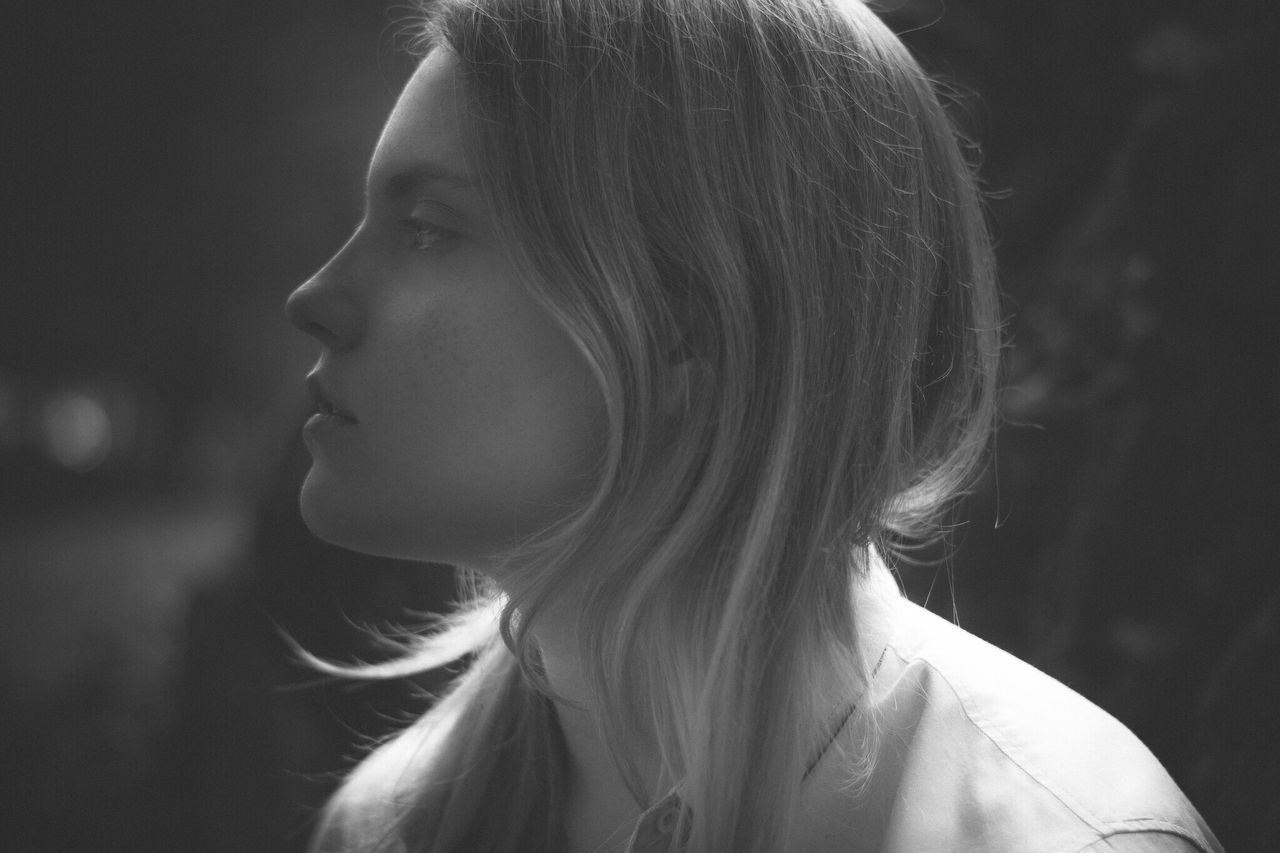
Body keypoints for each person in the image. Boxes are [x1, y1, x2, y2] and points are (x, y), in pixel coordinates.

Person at [283, 0, 1224, 850]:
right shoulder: (388, 824)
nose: (316, 298)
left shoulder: (1061, 837)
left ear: (689, 324)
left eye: (430, 228)